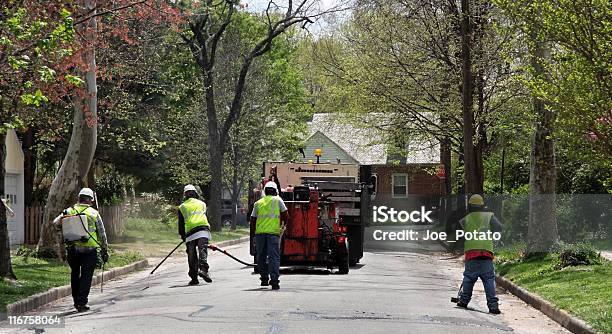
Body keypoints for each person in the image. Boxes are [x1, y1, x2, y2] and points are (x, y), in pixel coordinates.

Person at [53, 187, 109, 312]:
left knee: (74, 274)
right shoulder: (94, 213)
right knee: (86, 276)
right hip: (89, 250)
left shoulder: (69, 210)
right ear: (90, 200)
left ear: (78, 198)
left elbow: (55, 223)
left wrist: (63, 228)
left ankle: (75, 301)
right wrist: (105, 249)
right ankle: (82, 302)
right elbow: (102, 233)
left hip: (72, 249)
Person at [456, 194, 502, 314]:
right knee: (489, 280)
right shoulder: (489, 216)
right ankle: (493, 306)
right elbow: (499, 227)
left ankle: (464, 300)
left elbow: (460, 236)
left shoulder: (466, 219)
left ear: (470, 207)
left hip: (471, 254)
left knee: (469, 278)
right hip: (486, 253)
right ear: (482, 206)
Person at [250, 181, 288, 290]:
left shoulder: (258, 203)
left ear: (265, 192)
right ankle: (274, 281)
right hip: (273, 234)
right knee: (273, 257)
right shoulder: (278, 200)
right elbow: (286, 214)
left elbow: (252, 220)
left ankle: (264, 279)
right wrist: (283, 226)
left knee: (261, 257)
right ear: (276, 191)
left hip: (260, 234)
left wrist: (254, 235)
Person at [178, 184, 212, 285]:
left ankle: (194, 278)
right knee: (202, 250)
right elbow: (205, 216)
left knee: (191, 254)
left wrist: (182, 236)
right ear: (195, 193)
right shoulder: (202, 204)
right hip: (203, 229)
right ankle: (204, 270)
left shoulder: (182, 207)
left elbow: (181, 224)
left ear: (185, 195)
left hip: (190, 232)